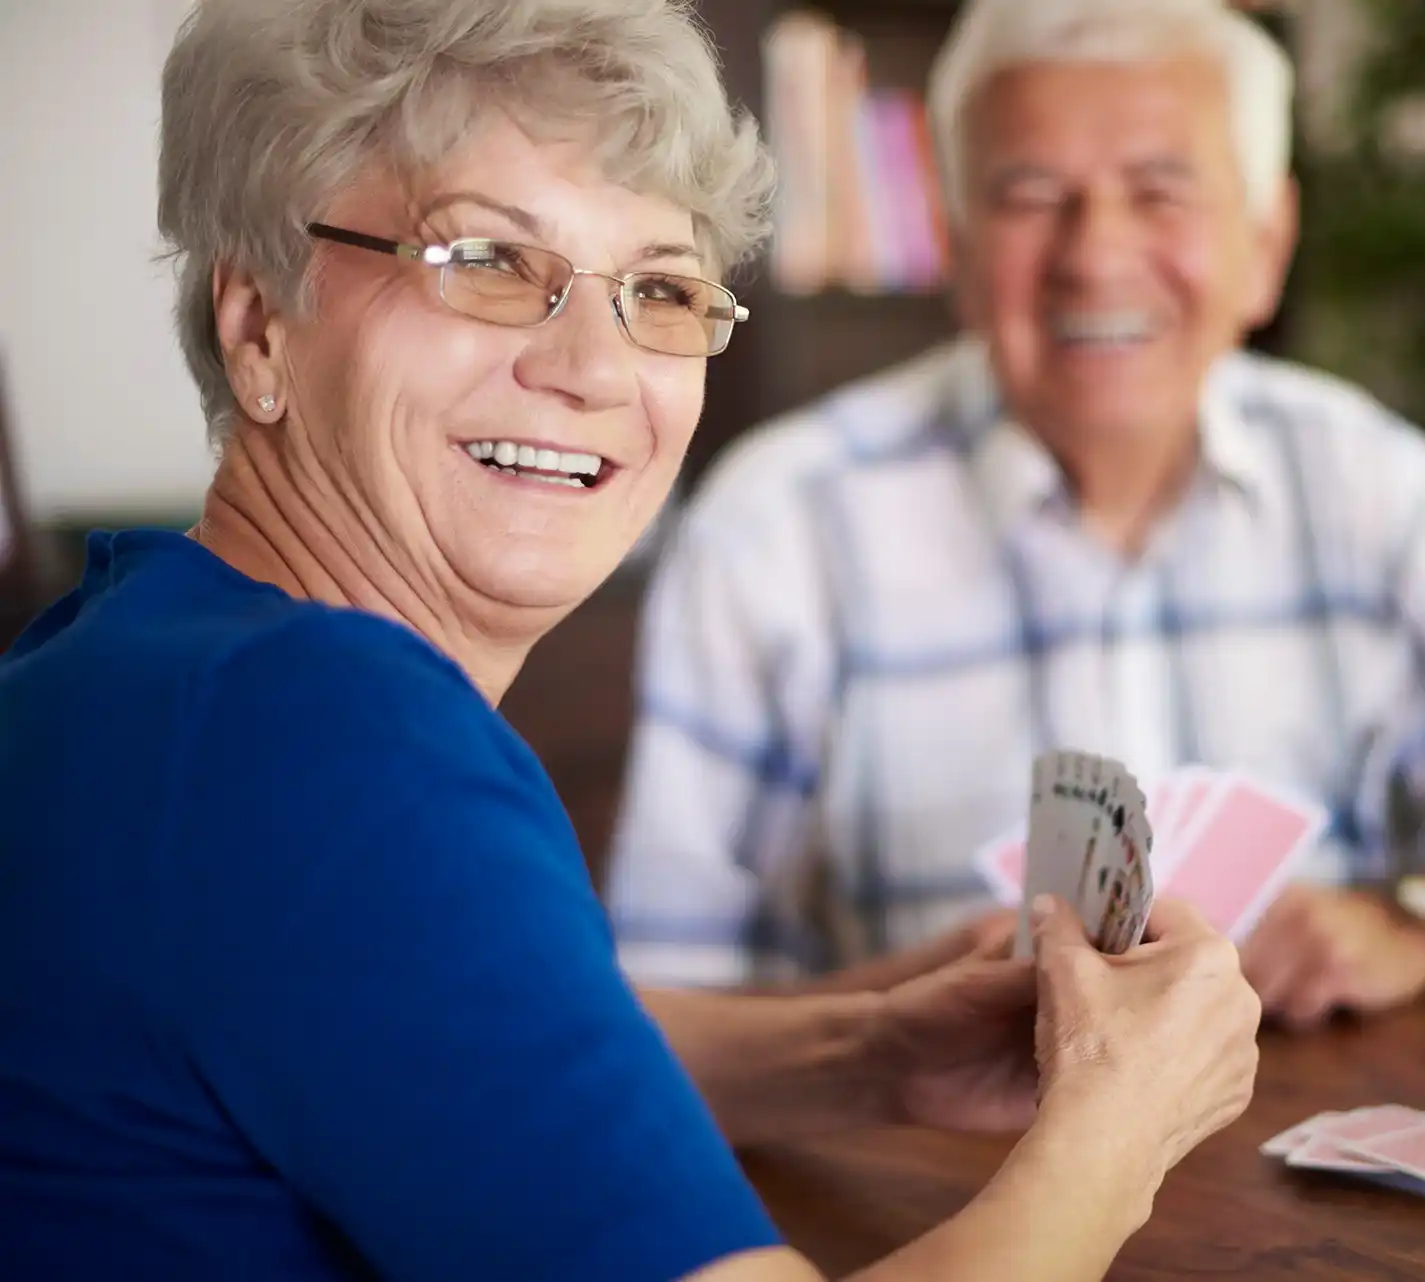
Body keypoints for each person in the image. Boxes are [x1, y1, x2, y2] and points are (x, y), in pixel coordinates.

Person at [0, 1, 1264, 1279]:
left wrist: (862, 1052)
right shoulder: (327, 735)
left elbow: (422, 1043)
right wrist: (1122, 1120)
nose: (595, 368)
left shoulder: (141, 659)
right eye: (487, 259)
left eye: (660, 289)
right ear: (258, 320)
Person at [609, 0, 1425, 1020]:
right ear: (959, 245)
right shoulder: (774, 527)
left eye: (1162, 191)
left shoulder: (1380, 488)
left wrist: (1414, 926)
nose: (1097, 257)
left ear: (1266, 246)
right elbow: (653, 1017)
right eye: (1033, 196)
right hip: (927, 1196)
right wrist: (903, 1025)